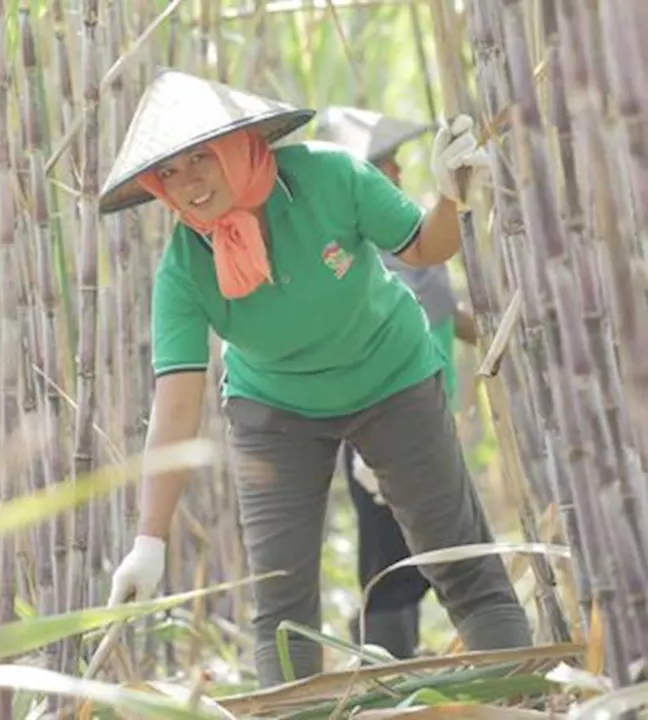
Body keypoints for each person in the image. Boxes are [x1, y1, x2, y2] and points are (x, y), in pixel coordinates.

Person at [99, 70, 531, 687]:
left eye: (202, 157)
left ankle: (514, 693)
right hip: (275, 412)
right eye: (169, 171)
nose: (189, 181)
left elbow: (425, 249)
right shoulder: (184, 270)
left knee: (458, 561)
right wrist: (149, 540)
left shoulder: (333, 177)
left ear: (241, 144)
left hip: (392, 378)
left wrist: (450, 198)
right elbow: (175, 407)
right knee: (280, 605)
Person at [312, 105, 481, 660]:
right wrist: (365, 448)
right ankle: (387, 677)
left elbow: (438, 313)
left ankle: (398, 668)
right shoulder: (348, 254)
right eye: (385, 164)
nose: (400, 175)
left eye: (397, 163)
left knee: (434, 549)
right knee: (391, 559)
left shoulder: (409, 241)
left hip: (426, 417)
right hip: (380, 429)